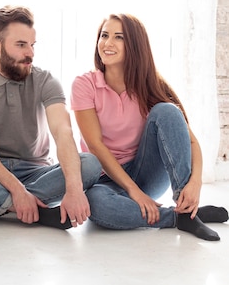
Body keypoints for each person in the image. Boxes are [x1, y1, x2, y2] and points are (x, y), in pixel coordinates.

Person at [0, 5, 102, 229]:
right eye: (21, 45)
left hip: (37, 171)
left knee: (89, 163)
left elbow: (63, 132)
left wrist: (73, 190)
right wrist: (17, 191)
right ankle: (30, 209)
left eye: (32, 45)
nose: (30, 53)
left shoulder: (46, 81)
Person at [70, 13, 228, 241]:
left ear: (134, 45)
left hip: (145, 172)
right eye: (104, 35)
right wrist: (133, 192)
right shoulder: (85, 85)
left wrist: (195, 184)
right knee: (97, 206)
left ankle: (185, 207)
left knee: (167, 110)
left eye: (118, 37)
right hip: (105, 179)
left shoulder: (151, 85)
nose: (107, 43)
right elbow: (95, 146)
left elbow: (191, 140)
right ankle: (180, 217)